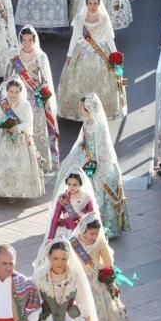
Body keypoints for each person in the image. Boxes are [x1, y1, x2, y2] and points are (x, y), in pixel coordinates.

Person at [56, 95, 130, 237]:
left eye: (81, 107)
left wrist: (98, 171)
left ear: (88, 108)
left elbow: (104, 150)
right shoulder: (88, 122)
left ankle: (104, 227)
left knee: (97, 194)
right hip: (87, 160)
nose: (79, 109)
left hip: (99, 164)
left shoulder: (98, 125)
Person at [58, 0, 126, 123]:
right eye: (90, 3)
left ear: (99, 4)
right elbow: (74, 37)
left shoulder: (104, 18)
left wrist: (115, 55)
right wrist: (69, 54)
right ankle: (80, 111)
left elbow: (110, 39)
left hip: (101, 54)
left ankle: (98, 111)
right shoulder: (80, 18)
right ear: (86, 3)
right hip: (82, 52)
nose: (93, 6)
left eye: (95, 3)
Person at [0, 79, 44, 200]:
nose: (13, 95)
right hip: (2, 137)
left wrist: (16, 128)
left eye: (16, 92)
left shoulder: (26, 105)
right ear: (6, 91)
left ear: (20, 92)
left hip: (21, 138)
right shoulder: (2, 104)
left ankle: (16, 192)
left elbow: (29, 123)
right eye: (11, 91)